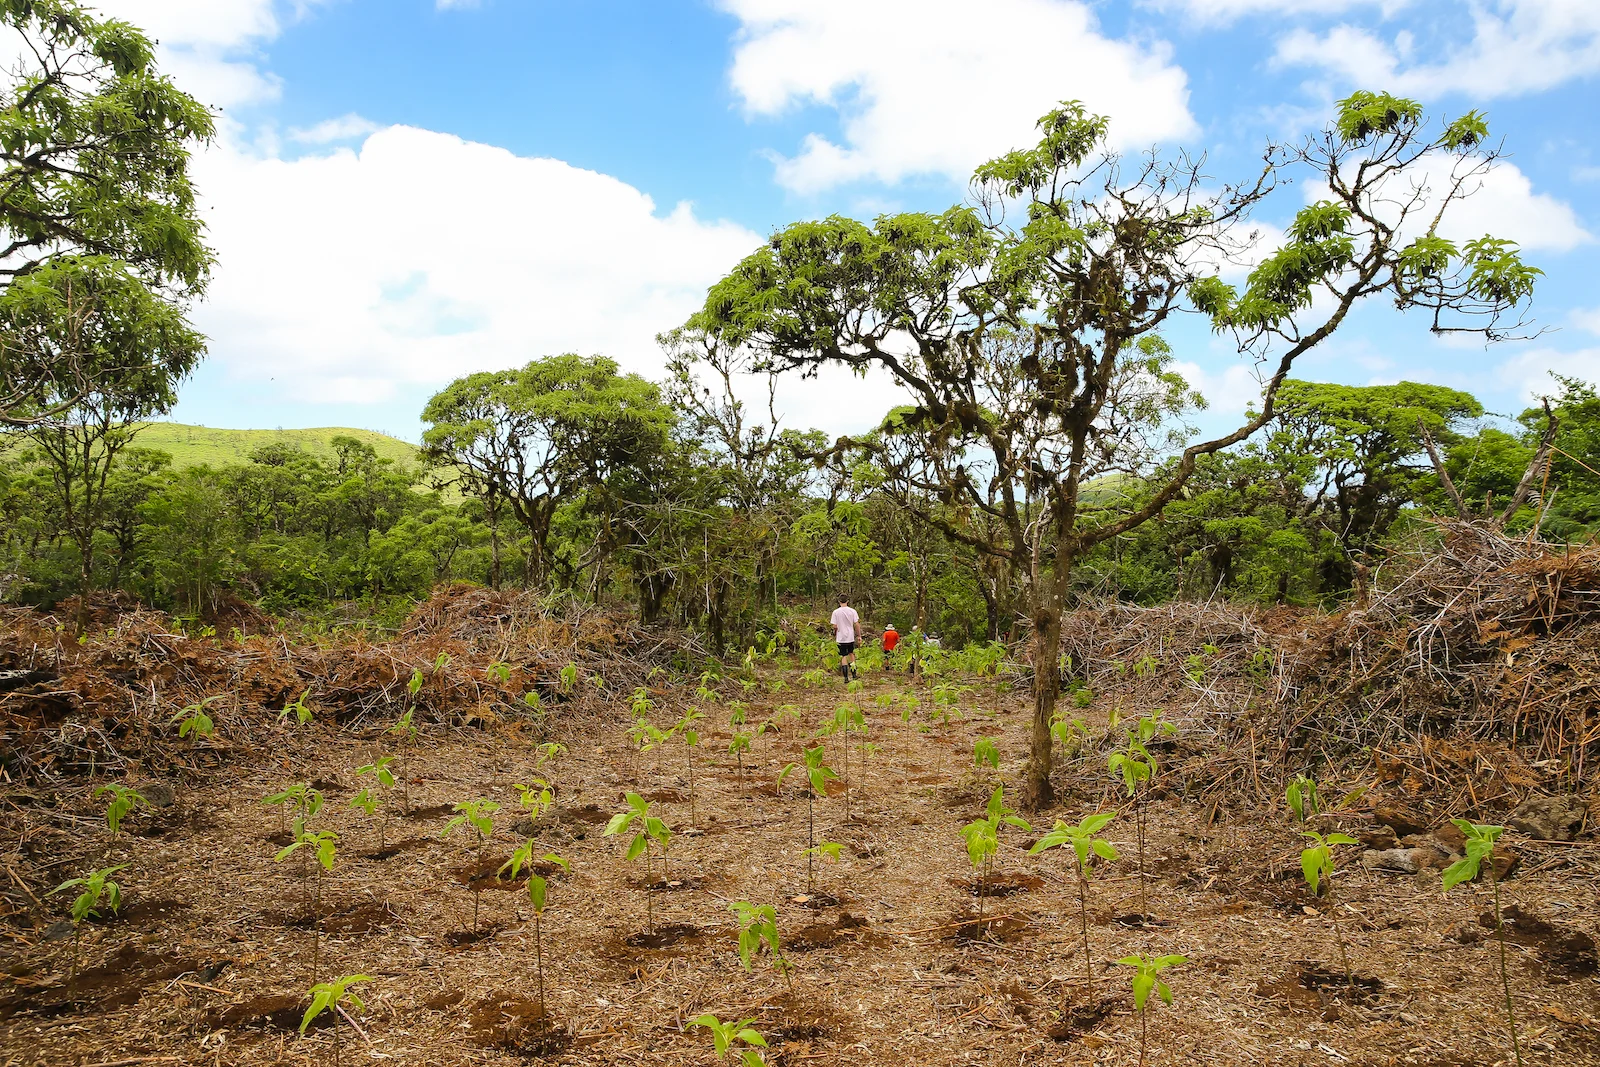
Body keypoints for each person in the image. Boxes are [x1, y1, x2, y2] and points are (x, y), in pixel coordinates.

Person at [830, 594, 861, 682]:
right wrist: (859, 635)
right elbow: (857, 624)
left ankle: (846, 677)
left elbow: (834, 626)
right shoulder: (852, 611)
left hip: (840, 637)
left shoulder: (835, 612)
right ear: (847, 601)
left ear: (839, 601)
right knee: (851, 654)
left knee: (843, 656)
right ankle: (854, 675)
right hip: (850, 636)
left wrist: (835, 633)